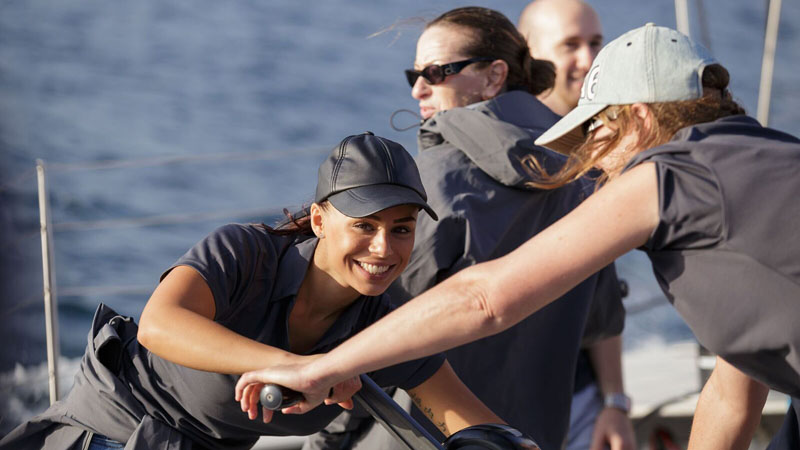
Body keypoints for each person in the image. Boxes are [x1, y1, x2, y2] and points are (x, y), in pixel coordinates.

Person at [236, 24, 800, 449]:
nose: (592, 157)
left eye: (598, 130)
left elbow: (485, 298)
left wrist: (320, 368)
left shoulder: (671, 171)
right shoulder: (769, 160)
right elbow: (732, 391)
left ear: (641, 119)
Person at [0, 132, 509, 450]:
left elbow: (469, 423)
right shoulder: (244, 252)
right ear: (319, 221)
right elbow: (159, 325)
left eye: (401, 228)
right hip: (113, 433)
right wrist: (302, 369)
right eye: (365, 226)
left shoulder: (387, 326)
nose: (384, 247)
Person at [303, 7, 625, 450]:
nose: (418, 87)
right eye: (414, 74)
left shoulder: (434, 181)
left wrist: (326, 442)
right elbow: (600, 318)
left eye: (437, 72)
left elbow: (376, 338)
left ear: (494, 76)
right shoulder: (587, 176)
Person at [518, 2, 636, 449]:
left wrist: (615, 402)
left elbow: (601, 281)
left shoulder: (599, 147)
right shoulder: (506, 149)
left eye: (595, 44)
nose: (588, 60)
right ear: (527, 54)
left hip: (578, 391)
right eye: (570, 45)